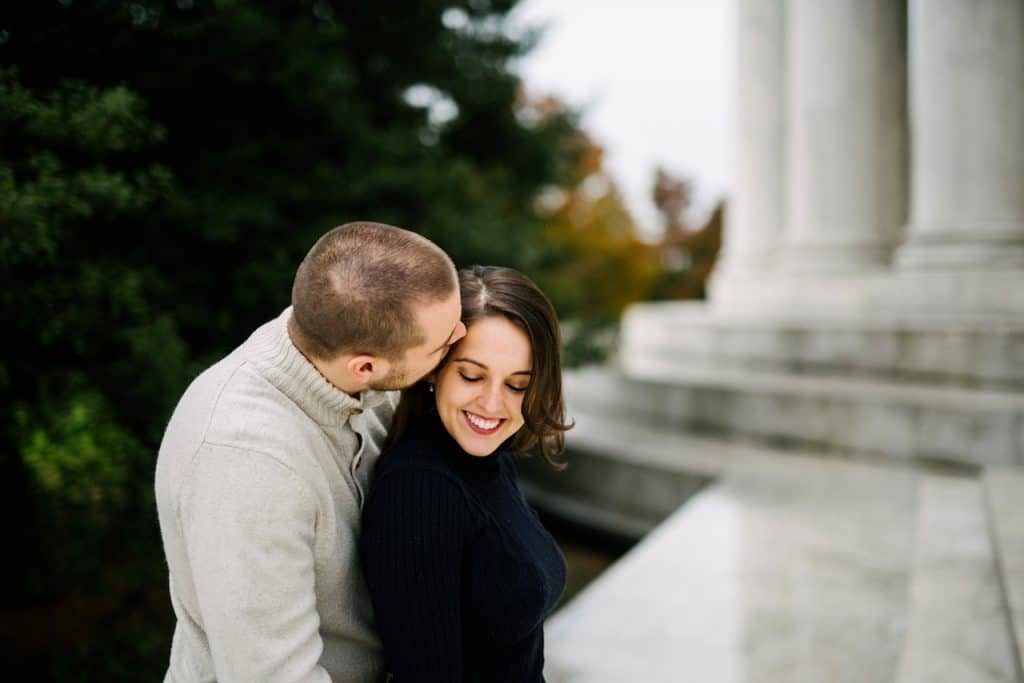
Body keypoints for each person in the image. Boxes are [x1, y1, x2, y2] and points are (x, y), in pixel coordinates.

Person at [155, 222, 466, 682]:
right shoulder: (248, 467)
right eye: (443, 345)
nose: (461, 336)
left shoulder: (342, 347)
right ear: (365, 367)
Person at [360, 265, 573, 682]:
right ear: (436, 368)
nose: (492, 404)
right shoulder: (421, 491)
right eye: (472, 375)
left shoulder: (489, 457)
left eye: (517, 385)